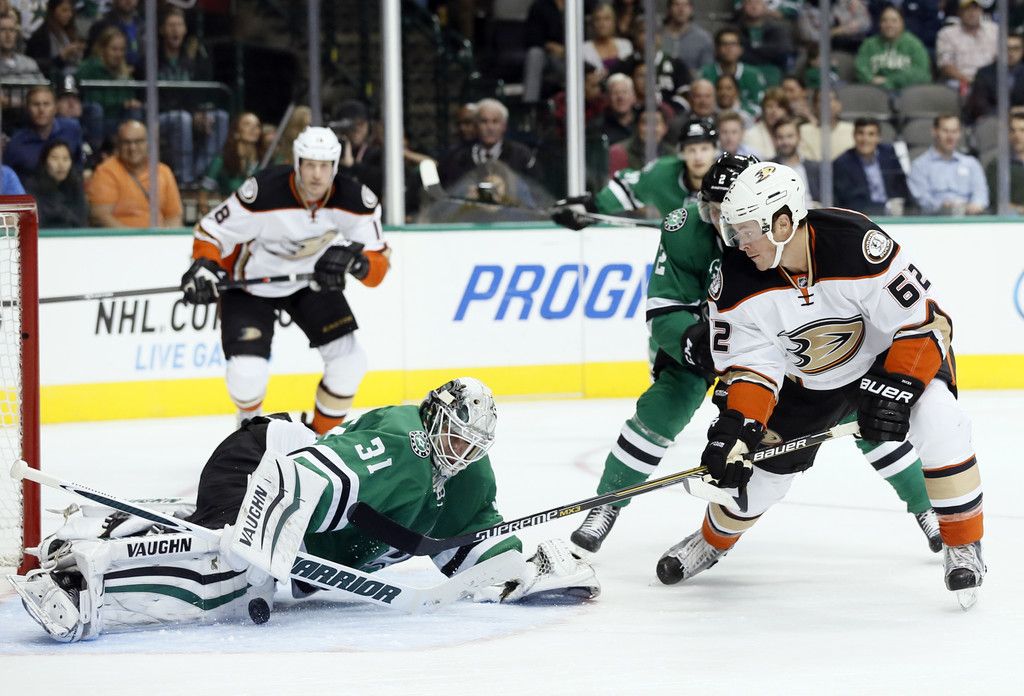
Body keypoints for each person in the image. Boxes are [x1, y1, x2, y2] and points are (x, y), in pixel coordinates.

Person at [10, 377, 600, 643]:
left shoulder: (467, 477)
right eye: (454, 436)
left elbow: (473, 554)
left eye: (473, 446)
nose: (460, 453)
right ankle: (78, 582)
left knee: (236, 559)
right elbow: (303, 480)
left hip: (279, 487)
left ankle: (109, 528)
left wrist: (532, 570)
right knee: (230, 574)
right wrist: (265, 548)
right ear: (434, 417)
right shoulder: (406, 443)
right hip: (259, 463)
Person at [569, 154, 941, 556]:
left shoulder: (778, 237)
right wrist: (694, 342)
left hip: (778, 349)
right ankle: (605, 505)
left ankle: (927, 508)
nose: (722, 222)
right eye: (713, 211)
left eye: (729, 212)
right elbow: (664, 308)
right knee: (663, 408)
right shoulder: (685, 232)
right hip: (704, 345)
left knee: (860, 412)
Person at [657, 162, 984, 608]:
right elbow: (752, 368)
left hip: (887, 361)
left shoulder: (855, 243)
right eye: (733, 230)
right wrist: (740, 425)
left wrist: (898, 386)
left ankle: (963, 544)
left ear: (782, 223)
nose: (738, 242)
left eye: (747, 230)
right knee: (759, 480)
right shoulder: (733, 280)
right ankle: (711, 541)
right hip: (807, 383)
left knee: (941, 420)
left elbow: (924, 323)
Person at [183, 127, 388, 433]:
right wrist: (204, 266)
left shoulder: (356, 200)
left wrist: (359, 263)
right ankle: (250, 432)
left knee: (350, 363)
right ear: (296, 162)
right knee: (246, 374)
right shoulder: (263, 192)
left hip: (311, 282)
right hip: (250, 284)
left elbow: (378, 265)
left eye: (324, 166)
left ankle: (320, 439)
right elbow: (211, 232)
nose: (316, 175)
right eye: (309, 165)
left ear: (335, 166)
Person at [554, 117, 719, 223]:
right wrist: (591, 209)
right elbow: (627, 189)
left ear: (715, 151)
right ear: (682, 153)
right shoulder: (662, 174)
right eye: (691, 150)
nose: (698, 157)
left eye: (704, 149)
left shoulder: (729, 180)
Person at [155, 7, 229, 185]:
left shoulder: (192, 60)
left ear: (185, 29)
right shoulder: (151, 59)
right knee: (183, 119)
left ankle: (201, 174)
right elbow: (150, 97)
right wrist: (192, 113)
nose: (175, 30)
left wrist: (199, 113)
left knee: (221, 117)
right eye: (171, 25)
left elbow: (198, 94)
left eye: (179, 25)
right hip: (160, 116)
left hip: (188, 112)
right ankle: (185, 178)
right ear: (162, 30)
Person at [86, 119, 183, 228]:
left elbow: (174, 216)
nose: (132, 148)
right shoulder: (105, 171)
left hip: (158, 236)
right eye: (126, 142)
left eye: (138, 141)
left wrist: (165, 236)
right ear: (118, 145)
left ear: (148, 143)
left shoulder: (163, 171)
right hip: (120, 237)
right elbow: (100, 216)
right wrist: (132, 237)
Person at [439, 98, 536, 188]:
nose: (490, 127)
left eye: (495, 121)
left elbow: (535, 189)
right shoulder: (459, 158)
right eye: (484, 121)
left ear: (504, 126)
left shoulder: (521, 155)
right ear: (476, 125)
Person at [908, 114, 988, 215]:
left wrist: (975, 206)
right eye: (945, 131)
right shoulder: (919, 166)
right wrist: (941, 206)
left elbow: (980, 194)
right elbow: (921, 199)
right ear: (934, 132)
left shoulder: (972, 164)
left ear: (960, 134)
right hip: (935, 220)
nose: (950, 137)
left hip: (968, 218)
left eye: (954, 131)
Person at [76, 25, 143, 146]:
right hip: (93, 120)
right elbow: (90, 100)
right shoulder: (88, 68)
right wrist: (121, 103)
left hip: (118, 120)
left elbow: (130, 98)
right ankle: (94, 153)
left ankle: (132, 149)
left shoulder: (125, 72)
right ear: (102, 49)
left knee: (135, 111)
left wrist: (132, 103)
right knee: (96, 110)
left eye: (122, 50)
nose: (119, 54)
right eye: (114, 49)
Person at [833, 117, 913, 216]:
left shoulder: (889, 155)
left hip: (895, 216)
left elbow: (902, 188)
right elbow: (850, 203)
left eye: (871, 134)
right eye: (860, 133)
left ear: (879, 138)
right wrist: (886, 207)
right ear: (854, 136)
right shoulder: (842, 163)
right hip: (862, 219)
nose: (865, 139)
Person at [3, 84, 84, 179]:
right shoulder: (16, 143)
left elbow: (79, 162)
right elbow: (7, 178)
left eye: (46, 104)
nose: (41, 110)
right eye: (36, 104)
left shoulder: (72, 129)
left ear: (55, 108)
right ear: (27, 109)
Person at [198, 111, 264, 217]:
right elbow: (203, 197)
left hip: (256, 217)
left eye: (257, 126)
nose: (253, 129)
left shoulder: (264, 161)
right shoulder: (221, 160)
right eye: (247, 124)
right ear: (236, 132)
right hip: (232, 217)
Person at [854, 4, 931, 91]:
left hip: (906, 93)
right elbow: (860, 69)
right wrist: (870, 79)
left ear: (902, 23)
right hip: (874, 91)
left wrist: (889, 81)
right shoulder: (869, 45)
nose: (889, 25)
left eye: (894, 21)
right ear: (879, 24)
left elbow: (922, 73)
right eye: (884, 21)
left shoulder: (914, 44)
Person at [700, 27, 767, 117]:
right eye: (724, 44)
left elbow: (761, 105)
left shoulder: (753, 75)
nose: (729, 48)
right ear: (717, 49)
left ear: (741, 49)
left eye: (733, 44)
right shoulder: (706, 73)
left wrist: (740, 115)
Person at [936, 0, 997, 93]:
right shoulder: (947, 33)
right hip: (960, 82)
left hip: (990, 82)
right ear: (959, 12)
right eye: (967, 9)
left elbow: (1001, 59)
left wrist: (987, 81)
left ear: (981, 11)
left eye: (975, 9)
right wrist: (969, 80)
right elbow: (946, 66)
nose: (972, 13)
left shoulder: (994, 30)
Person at [23, 139, 87, 227]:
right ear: (45, 161)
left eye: (65, 159)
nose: (61, 164)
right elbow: (36, 220)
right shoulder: (32, 186)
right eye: (54, 158)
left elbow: (81, 220)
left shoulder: (76, 185)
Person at [964, 31, 1024, 123]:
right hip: (993, 121)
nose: (1011, 52)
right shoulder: (984, 73)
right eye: (1006, 48)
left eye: (1016, 48)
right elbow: (979, 106)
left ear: (1022, 50)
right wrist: (1009, 113)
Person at [24, 0, 85, 81]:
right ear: (53, 11)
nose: (69, 14)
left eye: (71, 11)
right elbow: (38, 65)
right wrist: (62, 56)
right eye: (64, 10)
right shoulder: (42, 35)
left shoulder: (69, 32)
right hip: (52, 80)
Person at [734, 0, 795, 80]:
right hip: (742, 71)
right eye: (749, 3)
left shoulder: (779, 29)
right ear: (743, 7)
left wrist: (752, 48)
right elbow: (735, 53)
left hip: (773, 71)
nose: (754, 7)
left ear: (765, 7)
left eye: (757, 3)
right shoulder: (734, 30)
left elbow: (783, 50)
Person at [659, 0, 714, 80]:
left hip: (692, 84)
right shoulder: (657, 36)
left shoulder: (703, 38)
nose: (681, 9)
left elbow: (707, 71)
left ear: (691, 9)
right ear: (669, 8)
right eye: (676, 4)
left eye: (685, 5)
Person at [771, 117, 820, 205]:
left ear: (799, 137)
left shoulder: (815, 168)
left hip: (812, 212)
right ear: (774, 140)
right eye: (780, 137)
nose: (785, 142)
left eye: (790, 136)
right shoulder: (769, 168)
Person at [85, 0, 142, 74]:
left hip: (141, 76)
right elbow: (92, 59)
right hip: (109, 76)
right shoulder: (102, 26)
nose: (129, 1)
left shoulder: (144, 25)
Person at [798, 88, 855, 161]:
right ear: (814, 106)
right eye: (821, 100)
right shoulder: (802, 131)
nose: (826, 105)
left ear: (839, 105)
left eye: (830, 100)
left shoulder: (852, 130)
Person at [984, 112, 1024, 214]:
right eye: (1013, 130)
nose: (1017, 135)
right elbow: (998, 203)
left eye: (1022, 130)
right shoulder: (996, 166)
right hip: (1010, 221)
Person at [583, 2, 632, 77]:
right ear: (592, 23)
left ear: (614, 22)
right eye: (597, 19)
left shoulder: (626, 45)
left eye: (607, 19)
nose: (602, 24)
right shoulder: (584, 49)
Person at [588, 72, 639, 146]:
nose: (620, 97)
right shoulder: (596, 127)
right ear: (607, 98)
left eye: (625, 92)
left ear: (634, 96)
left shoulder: (643, 122)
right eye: (615, 93)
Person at [742, 87, 792, 159]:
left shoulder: (793, 132)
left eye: (779, 107)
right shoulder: (751, 135)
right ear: (763, 109)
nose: (774, 111)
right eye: (769, 106)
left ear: (786, 111)